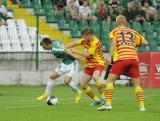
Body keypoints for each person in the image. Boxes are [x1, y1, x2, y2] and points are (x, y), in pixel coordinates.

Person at [97, 15, 148, 111]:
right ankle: (142, 107)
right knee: (137, 84)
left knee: (109, 80)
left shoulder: (115, 31)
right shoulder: (133, 32)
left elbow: (113, 43)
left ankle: (108, 105)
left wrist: (110, 56)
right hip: (133, 59)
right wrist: (134, 44)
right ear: (125, 22)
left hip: (122, 58)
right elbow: (146, 42)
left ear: (118, 22)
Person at [65, 28, 106, 106]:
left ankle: (103, 97)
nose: (84, 38)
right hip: (89, 64)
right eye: (83, 36)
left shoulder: (95, 42)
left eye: (85, 36)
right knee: (83, 85)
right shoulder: (84, 39)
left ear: (90, 35)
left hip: (98, 63)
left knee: (95, 77)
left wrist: (76, 51)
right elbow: (74, 43)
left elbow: (87, 55)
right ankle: (96, 100)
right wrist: (65, 47)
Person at [37, 38, 82, 104]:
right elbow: (58, 39)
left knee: (66, 81)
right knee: (52, 76)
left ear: (48, 45)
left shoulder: (54, 49)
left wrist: (75, 57)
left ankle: (79, 93)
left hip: (72, 63)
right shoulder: (55, 43)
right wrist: (51, 40)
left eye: (44, 47)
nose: (44, 48)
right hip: (65, 63)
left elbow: (65, 50)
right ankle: (46, 94)